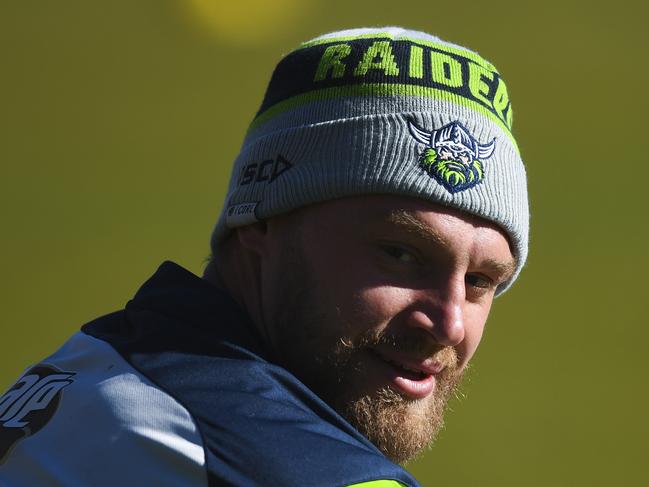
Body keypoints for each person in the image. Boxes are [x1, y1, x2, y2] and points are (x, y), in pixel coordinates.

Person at [0, 27, 528, 486]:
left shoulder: (99, 362)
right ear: (261, 221)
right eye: (400, 253)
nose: (449, 323)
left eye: (481, 280)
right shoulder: (296, 469)